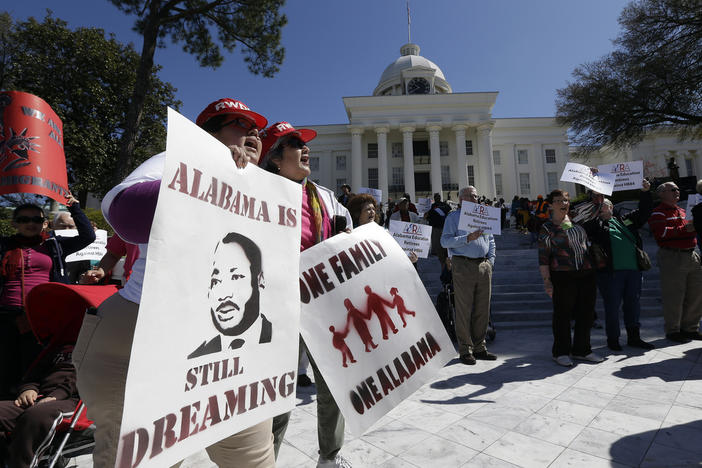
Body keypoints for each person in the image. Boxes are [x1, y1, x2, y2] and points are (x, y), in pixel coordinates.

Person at [74, 97, 276, 467]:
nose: (251, 133)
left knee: (252, 459)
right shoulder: (175, 161)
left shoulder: (263, 192)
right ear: (204, 135)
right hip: (142, 334)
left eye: (256, 130)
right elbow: (126, 214)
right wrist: (213, 168)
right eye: (237, 123)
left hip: (230, 348)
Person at [260, 121, 352, 468]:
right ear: (275, 159)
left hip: (321, 303)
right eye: (296, 143)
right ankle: (265, 459)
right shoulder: (258, 193)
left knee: (333, 386)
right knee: (277, 393)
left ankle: (330, 456)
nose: (306, 149)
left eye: (305, 143)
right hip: (278, 306)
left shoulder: (324, 196)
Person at [0, 197, 94, 399]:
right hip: (6, 313)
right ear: (14, 223)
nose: (30, 224)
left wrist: (73, 206)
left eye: (36, 219)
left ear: (45, 224)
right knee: (5, 362)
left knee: (34, 361)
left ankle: (28, 402)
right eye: (24, 220)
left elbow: (88, 236)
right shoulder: (4, 245)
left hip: (42, 314)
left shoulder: (55, 245)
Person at [583, 180, 654, 351]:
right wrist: (594, 193)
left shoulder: (626, 220)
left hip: (633, 271)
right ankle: (613, 339)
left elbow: (644, 212)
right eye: (598, 206)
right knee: (612, 307)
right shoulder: (595, 225)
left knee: (633, 304)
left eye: (605, 205)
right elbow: (585, 223)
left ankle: (634, 337)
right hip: (610, 273)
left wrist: (645, 192)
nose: (602, 207)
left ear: (612, 207)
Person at [538, 189, 602, 367]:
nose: (564, 204)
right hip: (562, 275)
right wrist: (547, 281)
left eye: (566, 200)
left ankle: (582, 350)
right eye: (558, 201)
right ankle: (561, 352)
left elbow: (597, 205)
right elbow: (543, 257)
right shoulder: (547, 228)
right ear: (550, 205)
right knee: (562, 315)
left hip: (586, 272)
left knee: (586, 313)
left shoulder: (577, 218)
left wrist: (594, 184)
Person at [188, 232, 270, 358]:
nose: (223, 295)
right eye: (215, 281)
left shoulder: (285, 340)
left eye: (236, 277)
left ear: (260, 280)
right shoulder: (196, 358)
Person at [440, 186, 497, 365]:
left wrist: (491, 262)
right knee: (463, 309)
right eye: (470, 196)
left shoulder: (484, 216)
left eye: (476, 196)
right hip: (463, 264)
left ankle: (480, 347)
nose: (474, 199)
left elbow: (491, 240)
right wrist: (467, 238)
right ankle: (466, 349)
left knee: (482, 308)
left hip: (483, 265)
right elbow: (445, 241)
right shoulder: (453, 217)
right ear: (461, 199)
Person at [0, 344, 78, 468]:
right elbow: (34, 373)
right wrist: (28, 388)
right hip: (39, 397)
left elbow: (83, 377)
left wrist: (57, 395)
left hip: (73, 400)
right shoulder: (58, 348)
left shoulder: (96, 350)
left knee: (37, 415)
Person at [648, 181, 702, 343]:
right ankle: (673, 330)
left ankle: (690, 328)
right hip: (672, 256)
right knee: (674, 295)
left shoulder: (683, 211)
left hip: (692, 254)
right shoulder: (658, 213)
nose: (677, 191)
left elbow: (684, 230)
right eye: (673, 189)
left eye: (678, 189)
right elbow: (662, 233)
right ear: (661, 194)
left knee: (696, 294)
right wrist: (685, 230)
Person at [425, 193, 451, 268]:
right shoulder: (432, 206)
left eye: (438, 197)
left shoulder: (445, 205)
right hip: (436, 227)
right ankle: (437, 252)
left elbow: (450, 212)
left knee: (442, 241)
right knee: (436, 241)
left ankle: (443, 252)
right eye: (436, 197)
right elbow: (429, 215)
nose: (437, 198)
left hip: (443, 227)